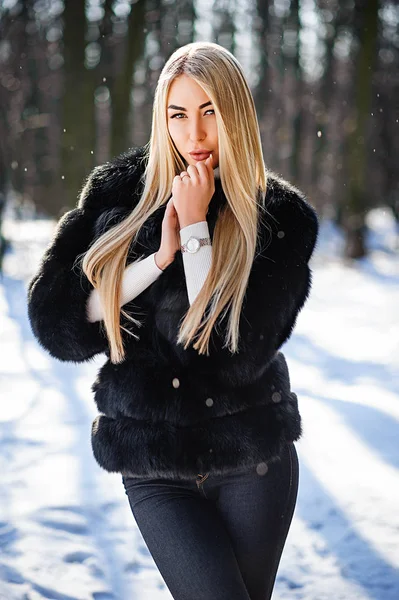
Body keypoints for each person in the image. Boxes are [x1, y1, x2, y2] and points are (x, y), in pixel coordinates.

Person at [27, 41, 319, 600]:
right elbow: (58, 325)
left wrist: (195, 231)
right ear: (161, 117)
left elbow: (231, 353)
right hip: (153, 467)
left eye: (210, 111)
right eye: (178, 114)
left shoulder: (279, 217)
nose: (195, 134)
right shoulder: (117, 194)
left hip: (250, 460)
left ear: (235, 115)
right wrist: (156, 260)